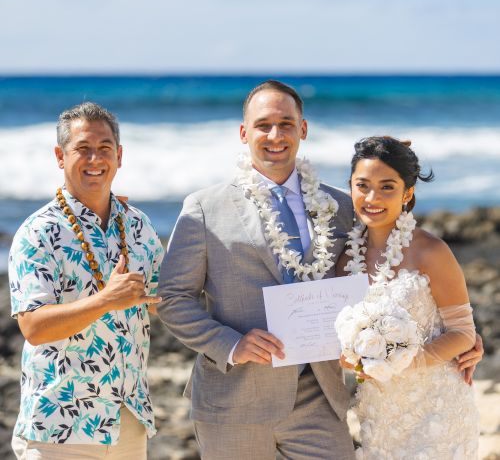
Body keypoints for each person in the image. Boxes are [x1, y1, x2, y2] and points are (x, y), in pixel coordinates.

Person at [157, 80, 357, 459]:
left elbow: (377, 272)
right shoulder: (204, 208)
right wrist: (231, 344)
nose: (275, 135)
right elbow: (172, 299)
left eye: (285, 123)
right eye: (263, 124)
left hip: (320, 399)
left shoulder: (341, 205)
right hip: (235, 402)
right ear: (244, 133)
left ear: (303, 129)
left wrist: (450, 327)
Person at [8, 102, 163, 459]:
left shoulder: (138, 225)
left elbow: (161, 300)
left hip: (128, 420)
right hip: (60, 425)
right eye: (83, 149)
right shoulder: (38, 232)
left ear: (119, 155)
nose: (95, 159)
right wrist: (106, 300)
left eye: (104, 148)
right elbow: (34, 326)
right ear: (60, 156)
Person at [336, 136, 480, 459]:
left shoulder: (431, 251)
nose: (373, 197)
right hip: (379, 414)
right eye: (363, 185)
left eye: (387, 187)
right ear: (351, 188)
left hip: (438, 412)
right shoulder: (344, 261)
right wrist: (350, 360)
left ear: (408, 193)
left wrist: (403, 362)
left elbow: (463, 333)